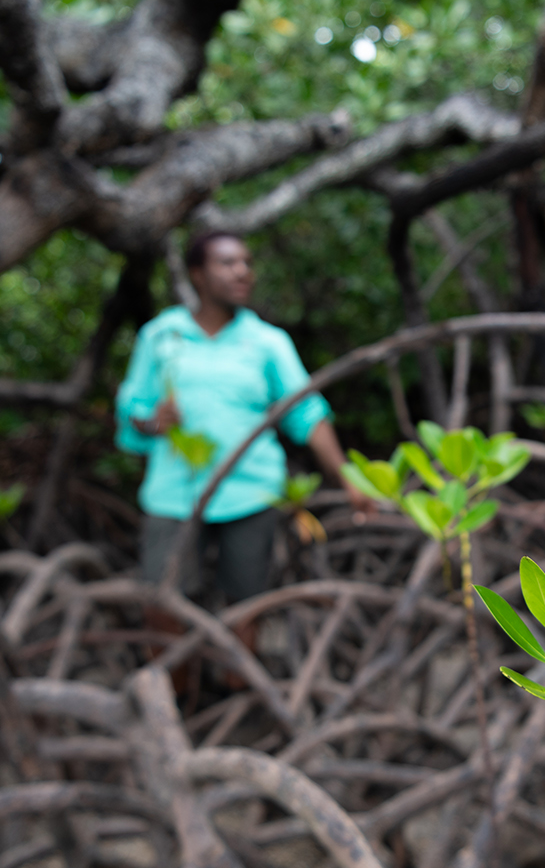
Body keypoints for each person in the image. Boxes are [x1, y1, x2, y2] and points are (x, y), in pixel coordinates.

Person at [116, 231, 375, 604]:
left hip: (250, 492)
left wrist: (349, 478)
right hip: (174, 493)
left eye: (247, 263)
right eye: (227, 263)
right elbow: (132, 408)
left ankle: (237, 664)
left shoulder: (268, 341)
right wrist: (153, 421)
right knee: (163, 604)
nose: (242, 273)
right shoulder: (161, 335)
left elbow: (306, 413)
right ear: (198, 275)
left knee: (247, 604)